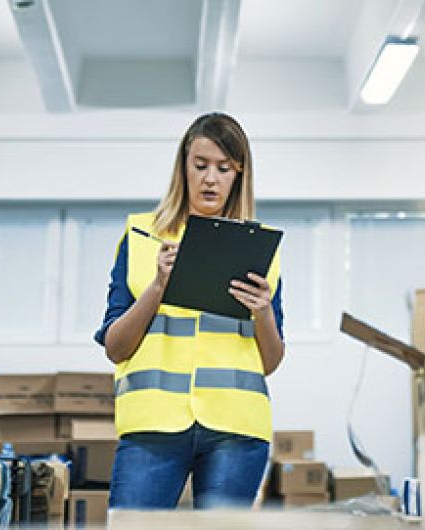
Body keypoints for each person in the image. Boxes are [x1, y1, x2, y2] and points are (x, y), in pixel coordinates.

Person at [94, 112, 284, 510]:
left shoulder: (260, 250)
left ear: (239, 175)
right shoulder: (141, 236)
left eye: (224, 168)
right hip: (152, 425)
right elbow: (115, 347)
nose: (210, 179)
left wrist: (263, 311)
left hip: (237, 427)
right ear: (183, 168)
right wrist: (159, 286)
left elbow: (270, 361)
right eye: (200, 166)